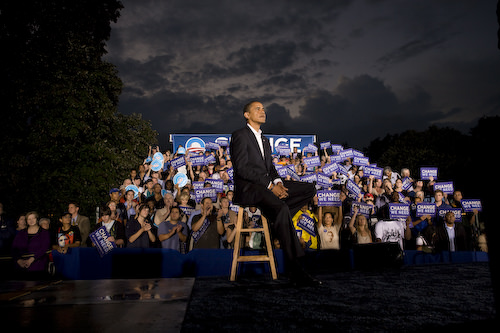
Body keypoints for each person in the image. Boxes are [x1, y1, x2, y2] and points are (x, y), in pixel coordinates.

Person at [230, 101, 318, 286]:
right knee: (281, 209)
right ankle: (296, 269)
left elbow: (270, 168)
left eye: (263, 109)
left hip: (267, 185)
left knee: (309, 189)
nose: (262, 111)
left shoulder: (264, 139)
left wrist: (277, 182)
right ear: (247, 115)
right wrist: (271, 186)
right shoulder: (239, 135)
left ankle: (278, 221)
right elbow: (242, 169)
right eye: (257, 109)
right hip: (250, 188)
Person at [11, 211, 51, 278]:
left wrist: (32, 259)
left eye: (33, 218)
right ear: (26, 221)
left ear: (37, 219)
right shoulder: (21, 233)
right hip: (21, 265)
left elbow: (44, 247)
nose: (31, 220)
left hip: (38, 264)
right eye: (29, 219)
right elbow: (14, 248)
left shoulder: (44, 233)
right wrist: (19, 260)